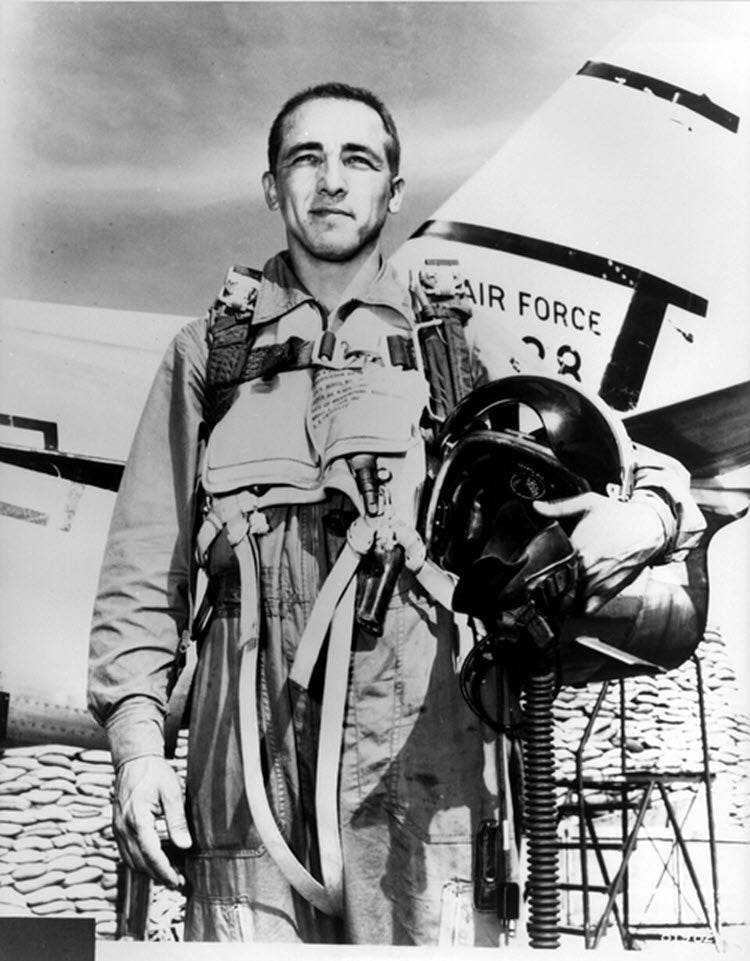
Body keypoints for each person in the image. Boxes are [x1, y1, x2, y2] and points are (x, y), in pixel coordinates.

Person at [88, 82, 705, 945]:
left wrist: (639, 519)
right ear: (272, 187)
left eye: (358, 160)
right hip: (245, 784)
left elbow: (639, 469)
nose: (331, 181)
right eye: (306, 159)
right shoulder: (207, 356)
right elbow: (141, 569)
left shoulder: (458, 349)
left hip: (428, 783)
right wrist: (139, 747)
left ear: (394, 192)